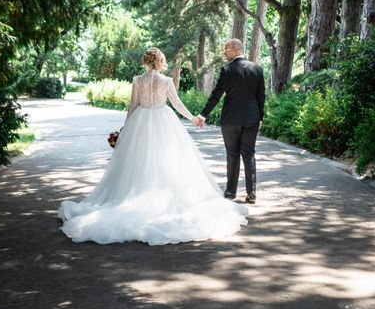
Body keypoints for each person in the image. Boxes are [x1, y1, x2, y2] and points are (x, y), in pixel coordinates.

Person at [57, 47, 248, 245]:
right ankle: (161, 198)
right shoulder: (166, 81)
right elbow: (177, 103)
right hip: (163, 121)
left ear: (146, 61)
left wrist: (124, 130)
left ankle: (137, 196)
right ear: (160, 61)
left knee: (137, 161)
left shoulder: (137, 80)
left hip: (140, 121)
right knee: (167, 160)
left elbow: (132, 106)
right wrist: (193, 118)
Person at [194, 38, 265, 204]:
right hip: (252, 118)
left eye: (226, 49)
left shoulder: (227, 69)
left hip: (231, 119)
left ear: (236, 49)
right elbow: (261, 96)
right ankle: (251, 193)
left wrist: (203, 114)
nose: (225, 53)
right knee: (249, 154)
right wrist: (260, 117)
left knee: (232, 155)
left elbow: (216, 95)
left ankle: (231, 192)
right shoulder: (257, 69)